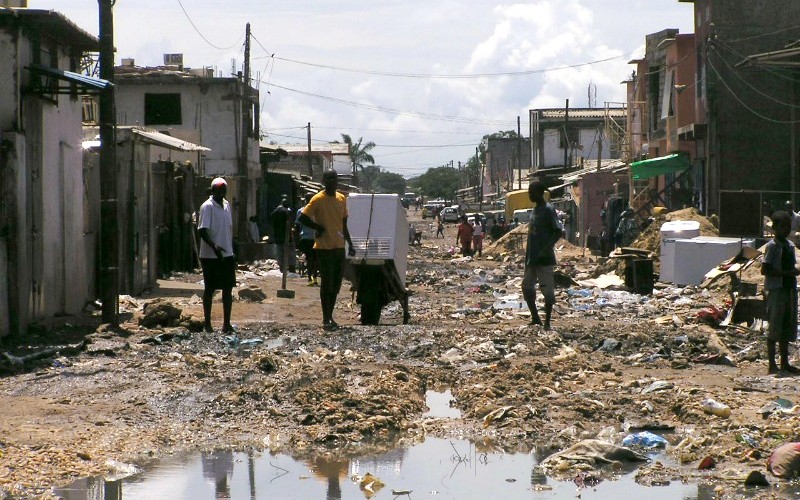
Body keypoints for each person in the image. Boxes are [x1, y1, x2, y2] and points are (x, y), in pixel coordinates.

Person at [298, 170, 356, 330]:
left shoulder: (341, 198)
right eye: (329, 178)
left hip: (338, 247)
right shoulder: (317, 199)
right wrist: (318, 227)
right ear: (323, 181)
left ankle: (331, 316)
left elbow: (343, 224)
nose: (332, 181)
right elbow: (301, 218)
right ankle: (325, 318)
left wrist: (350, 244)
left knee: (336, 285)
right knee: (327, 284)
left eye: (334, 178)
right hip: (324, 248)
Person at [762, 210, 800, 375]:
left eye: (788, 227)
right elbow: (765, 269)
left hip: (789, 290)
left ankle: (784, 362)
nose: (785, 230)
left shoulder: (790, 246)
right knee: (775, 327)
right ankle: (772, 364)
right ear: (775, 227)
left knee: (786, 326)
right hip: (777, 289)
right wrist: (788, 273)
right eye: (782, 227)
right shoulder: (772, 246)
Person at [522, 181, 563, 330]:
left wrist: (545, 249)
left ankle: (547, 323)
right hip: (531, 258)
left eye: (532, 193)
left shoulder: (548, 209)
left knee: (547, 291)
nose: (530, 195)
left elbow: (558, 231)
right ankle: (535, 318)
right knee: (527, 287)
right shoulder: (535, 210)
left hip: (544, 258)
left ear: (539, 193)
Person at [197, 177, 235, 333]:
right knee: (210, 289)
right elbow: (202, 231)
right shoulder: (207, 207)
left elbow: (229, 230)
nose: (221, 193)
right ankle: (207, 323)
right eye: (218, 190)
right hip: (210, 256)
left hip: (226, 254)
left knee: (228, 289)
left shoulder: (226, 206)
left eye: (223, 190)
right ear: (213, 191)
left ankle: (227, 324)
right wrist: (214, 247)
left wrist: (231, 250)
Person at [296, 194, 318, 286]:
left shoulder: (301, 211)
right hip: (316, 238)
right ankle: (314, 278)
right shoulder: (317, 211)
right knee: (315, 259)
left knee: (309, 259)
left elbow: (297, 225)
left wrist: (297, 239)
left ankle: (310, 278)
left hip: (305, 238)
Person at [271, 197, 295, 274]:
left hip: (278, 237)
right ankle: (291, 269)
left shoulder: (274, 212)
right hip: (287, 236)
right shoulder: (287, 212)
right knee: (290, 254)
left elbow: (272, 225)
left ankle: (282, 269)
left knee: (280, 254)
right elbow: (290, 224)